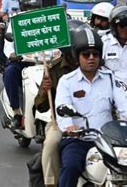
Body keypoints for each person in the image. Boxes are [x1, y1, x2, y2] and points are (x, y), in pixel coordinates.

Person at [55, 27, 127, 187]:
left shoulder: (109, 78)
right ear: (77, 57)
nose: (91, 58)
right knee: (71, 167)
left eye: (95, 54)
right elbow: (62, 108)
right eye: (86, 54)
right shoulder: (67, 81)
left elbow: (124, 104)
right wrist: (69, 127)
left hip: (108, 140)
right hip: (78, 140)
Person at [33, 20, 87, 187]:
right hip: (61, 123)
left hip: (95, 123)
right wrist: (45, 88)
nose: (90, 57)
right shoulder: (54, 69)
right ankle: (52, 183)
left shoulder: (97, 68)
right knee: (50, 144)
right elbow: (41, 106)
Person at [3, 0, 42, 128]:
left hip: (44, 62)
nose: (32, 10)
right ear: (23, 7)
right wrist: (13, 54)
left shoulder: (45, 20)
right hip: (22, 61)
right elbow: (8, 44)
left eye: (35, 8)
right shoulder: (16, 22)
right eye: (29, 8)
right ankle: (16, 112)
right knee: (10, 73)